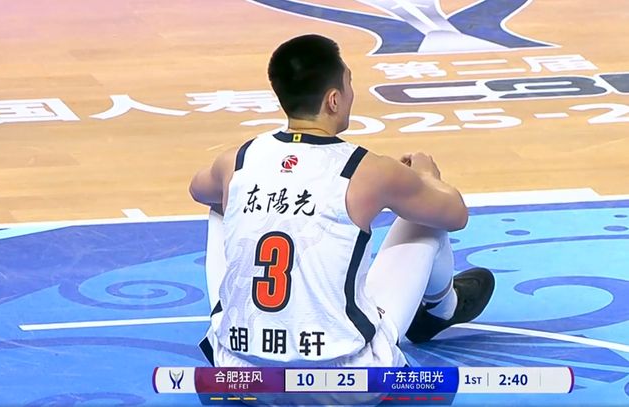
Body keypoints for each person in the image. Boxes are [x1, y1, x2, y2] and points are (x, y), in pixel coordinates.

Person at [189, 34, 494, 370]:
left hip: (239, 370)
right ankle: (441, 309)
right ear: (333, 100)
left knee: (221, 202)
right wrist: (426, 178)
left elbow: (198, 190)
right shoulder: (370, 170)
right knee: (424, 216)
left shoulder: (237, 160)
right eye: (349, 82)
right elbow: (455, 215)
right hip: (347, 380)